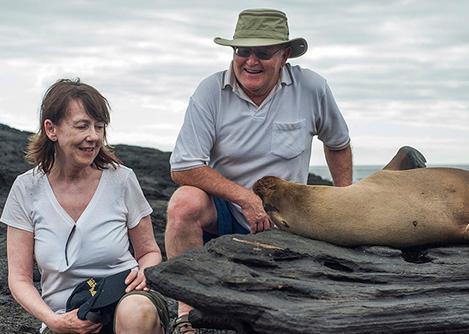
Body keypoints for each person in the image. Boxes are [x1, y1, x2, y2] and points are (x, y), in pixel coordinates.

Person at [166, 8, 352, 333]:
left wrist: (346, 201)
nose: (250, 61)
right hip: (226, 211)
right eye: (242, 51)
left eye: (263, 53)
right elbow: (183, 166)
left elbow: (338, 143)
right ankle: (187, 313)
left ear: (285, 55)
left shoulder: (311, 87)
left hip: (289, 218)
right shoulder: (210, 92)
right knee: (183, 204)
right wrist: (244, 198)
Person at [1, 79, 169, 334]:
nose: (93, 136)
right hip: (63, 316)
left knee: (136, 312)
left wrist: (145, 272)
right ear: (51, 129)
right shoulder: (26, 189)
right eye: (82, 126)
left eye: (99, 127)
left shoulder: (121, 179)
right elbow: (19, 278)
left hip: (126, 300)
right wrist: (55, 321)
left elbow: (149, 252)